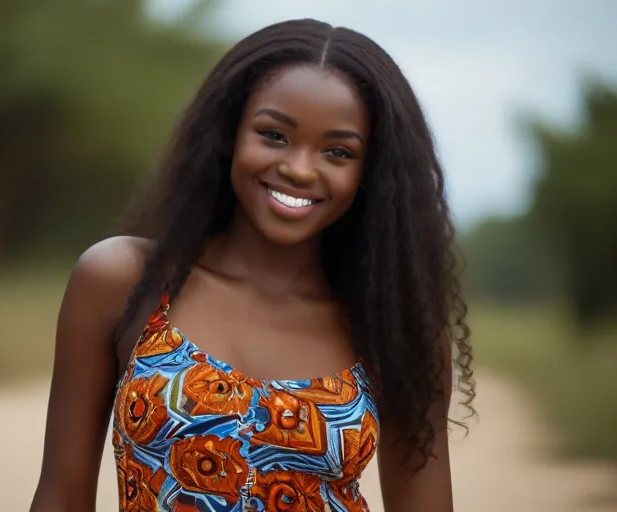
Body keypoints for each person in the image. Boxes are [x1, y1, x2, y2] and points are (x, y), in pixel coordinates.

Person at [30, 18, 475, 512]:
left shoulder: (394, 325)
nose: (300, 168)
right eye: (274, 135)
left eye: (337, 151)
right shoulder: (124, 281)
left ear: (370, 171)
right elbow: (62, 495)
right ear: (228, 134)